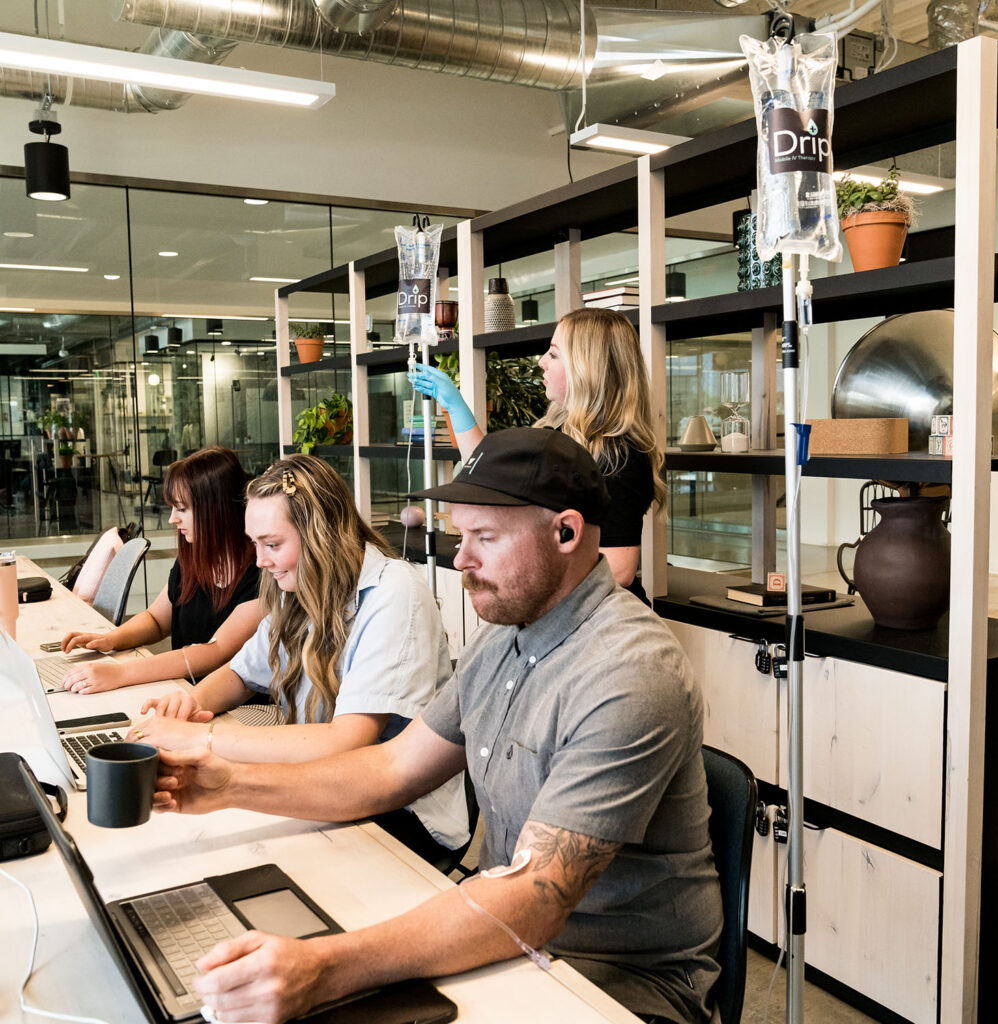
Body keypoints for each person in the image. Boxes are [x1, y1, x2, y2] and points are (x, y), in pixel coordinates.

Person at [152, 429, 722, 1024]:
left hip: (618, 985)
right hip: (519, 944)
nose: (460, 558)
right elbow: (393, 768)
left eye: (484, 538)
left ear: (566, 532)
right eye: (460, 534)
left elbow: (533, 900)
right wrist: (223, 786)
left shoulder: (628, 671)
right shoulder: (504, 637)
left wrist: (323, 967)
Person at [137, 453, 468, 858]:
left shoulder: (394, 594)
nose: (260, 561)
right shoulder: (296, 587)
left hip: (404, 814)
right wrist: (190, 704)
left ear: (321, 535)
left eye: (272, 544)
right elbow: (241, 674)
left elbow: (346, 742)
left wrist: (202, 737)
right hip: (329, 784)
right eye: (254, 545)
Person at [409, 307, 664, 601]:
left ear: (587, 368)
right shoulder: (558, 434)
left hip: (601, 624)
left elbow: (619, 570)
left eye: (554, 354)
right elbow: (489, 473)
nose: (542, 362)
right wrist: (456, 407)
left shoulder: (619, 456)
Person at [59, 447, 262, 694]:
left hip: (228, 706)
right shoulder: (194, 561)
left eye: (182, 509)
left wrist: (121, 673)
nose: (172, 519)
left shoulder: (262, 575)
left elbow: (214, 652)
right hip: (184, 692)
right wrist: (110, 639)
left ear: (216, 509)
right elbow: (156, 620)